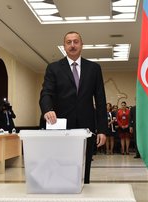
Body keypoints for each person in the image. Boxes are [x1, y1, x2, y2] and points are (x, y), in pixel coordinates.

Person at [39, 31, 107, 184]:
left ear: (82, 45)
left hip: (87, 126)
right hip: (61, 125)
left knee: (84, 166)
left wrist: (102, 129)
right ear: (64, 46)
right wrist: (47, 109)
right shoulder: (54, 68)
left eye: (76, 41)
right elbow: (46, 93)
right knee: (61, 165)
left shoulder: (94, 68)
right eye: (68, 42)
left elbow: (101, 100)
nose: (72, 45)